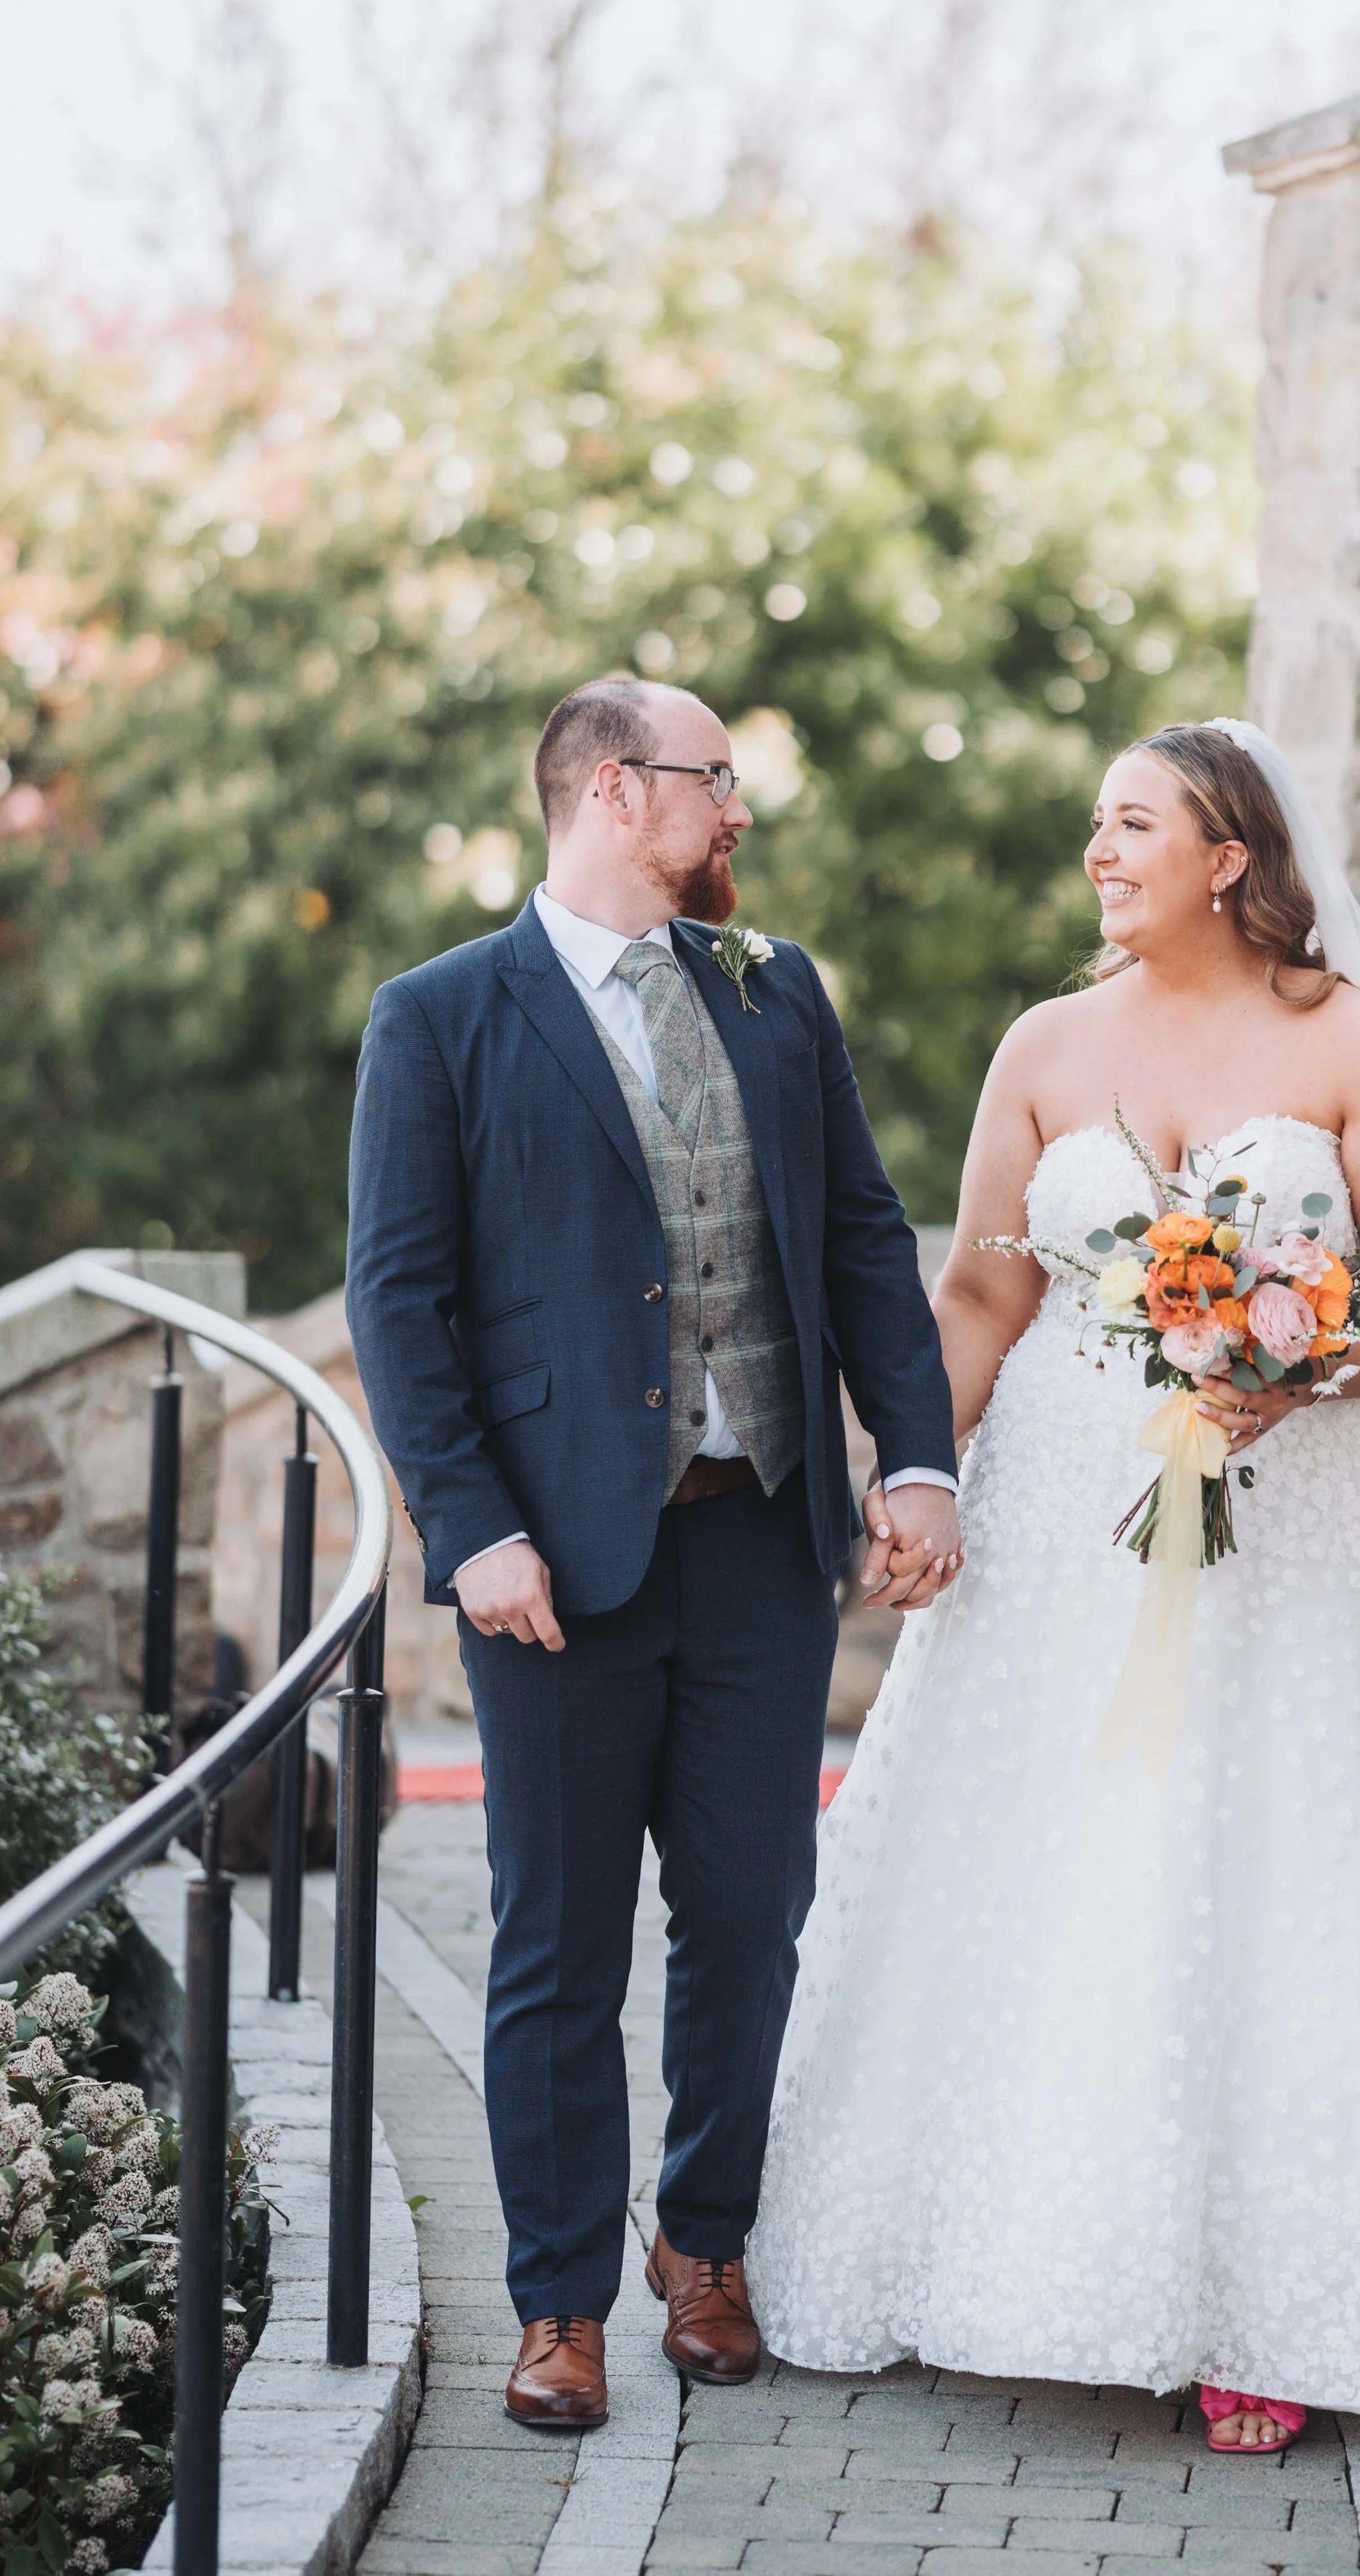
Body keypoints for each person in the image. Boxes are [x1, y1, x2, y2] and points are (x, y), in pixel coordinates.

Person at [749, 718, 1360, 2453]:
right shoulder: (1045, 1043)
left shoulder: (1354, 1040)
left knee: (1252, 1856)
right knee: (1041, 1851)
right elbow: (983, 1297)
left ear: (1230, 854)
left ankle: (1267, 2305)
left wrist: (1299, 1370)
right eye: (1095, 825)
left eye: (1132, 823)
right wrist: (916, 1480)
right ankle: (978, 2237)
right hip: (1064, 1501)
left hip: (1283, 1522)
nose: (1099, 850)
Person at [344, 677, 960, 2429]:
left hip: (759, 1539)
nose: (735, 813)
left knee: (753, 1919)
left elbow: (856, 1237)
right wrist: (470, 1533)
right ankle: (558, 2307)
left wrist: (912, 1458)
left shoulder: (775, 997)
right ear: (618, 791)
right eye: (714, 782)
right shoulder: (441, 1017)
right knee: (553, 1944)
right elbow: (400, 1300)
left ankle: (706, 2247)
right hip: (552, 1565)